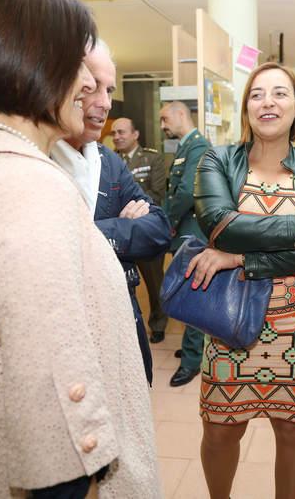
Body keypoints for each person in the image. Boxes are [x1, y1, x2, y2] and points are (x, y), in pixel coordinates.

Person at [0, 0, 162, 497]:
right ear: (37, 64)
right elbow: (57, 398)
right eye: (78, 65)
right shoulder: (25, 186)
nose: (89, 86)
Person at [190, 62, 295, 499]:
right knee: (221, 430)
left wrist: (242, 259)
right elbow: (222, 225)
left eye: (280, 93)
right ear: (246, 107)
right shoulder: (217, 161)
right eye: (257, 94)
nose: (268, 102)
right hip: (230, 325)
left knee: (294, 431)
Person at [51, 47, 171, 386]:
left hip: (120, 321)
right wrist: (121, 227)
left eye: (110, 90)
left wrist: (85, 234)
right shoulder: (36, 162)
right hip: (63, 334)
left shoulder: (108, 162)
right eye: (91, 88)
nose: (104, 103)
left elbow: (159, 228)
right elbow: (47, 246)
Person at [158, 101, 211, 386]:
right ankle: (195, 346)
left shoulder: (198, 147)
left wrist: (165, 220)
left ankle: (191, 360)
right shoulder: (186, 146)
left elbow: (187, 192)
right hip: (185, 230)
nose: (163, 125)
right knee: (189, 289)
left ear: (181, 114)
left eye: (165, 118)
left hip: (192, 232)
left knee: (192, 293)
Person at [111, 117, 170, 344]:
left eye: (122, 132)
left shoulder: (152, 158)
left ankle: (158, 324)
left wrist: (130, 209)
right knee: (121, 283)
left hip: (144, 232)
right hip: (118, 233)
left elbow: (157, 193)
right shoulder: (108, 160)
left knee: (155, 283)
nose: (117, 137)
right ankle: (128, 328)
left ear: (135, 134)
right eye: (114, 133)